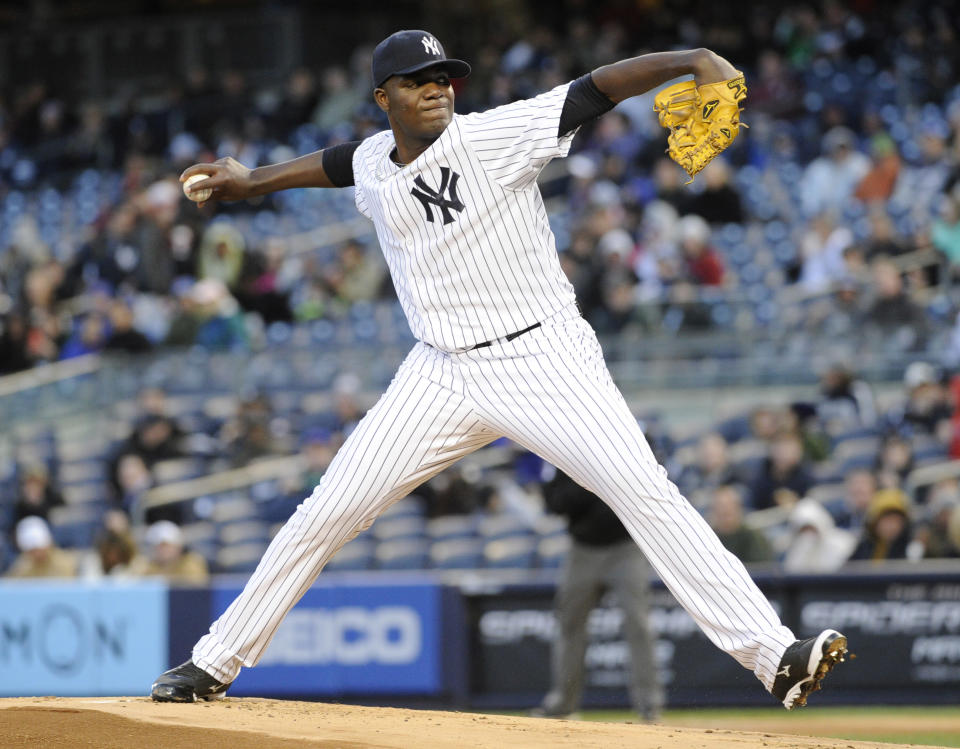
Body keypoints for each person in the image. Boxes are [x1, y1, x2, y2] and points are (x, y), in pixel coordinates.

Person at [152, 29, 848, 710]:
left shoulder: (492, 135)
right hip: (439, 372)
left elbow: (595, 89)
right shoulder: (373, 160)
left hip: (542, 356)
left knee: (645, 492)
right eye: (417, 82)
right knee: (324, 512)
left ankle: (773, 656)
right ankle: (216, 660)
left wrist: (690, 60)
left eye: (442, 78)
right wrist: (253, 184)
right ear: (382, 98)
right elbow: (338, 162)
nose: (435, 90)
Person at [534, 468, 663, 722]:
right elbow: (555, 502)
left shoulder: (634, 433)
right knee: (569, 624)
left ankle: (649, 706)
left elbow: (645, 485)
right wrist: (598, 483)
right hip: (582, 549)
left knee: (639, 624)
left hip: (626, 547)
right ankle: (562, 703)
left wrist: (589, 484)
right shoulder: (564, 446)